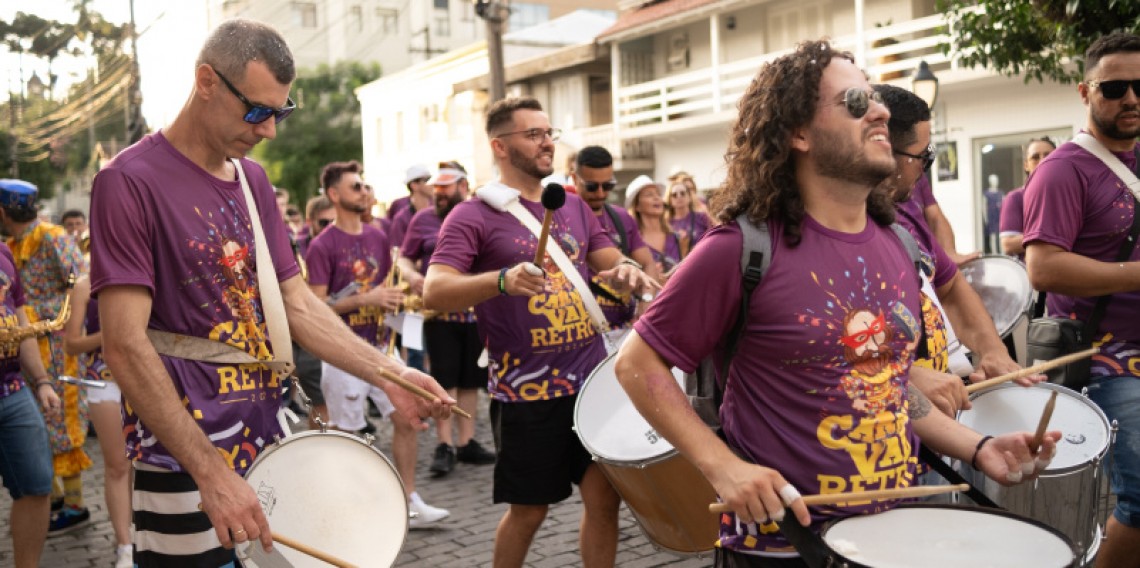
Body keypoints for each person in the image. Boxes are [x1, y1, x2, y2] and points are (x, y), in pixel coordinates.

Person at [614, 40, 1059, 568]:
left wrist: (977, 446)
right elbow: (636, 363)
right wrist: (721, 466)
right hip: (783, 547)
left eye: (876, 98)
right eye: (854, 101)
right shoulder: (739, 249)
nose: (880, 111)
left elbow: (886, 388)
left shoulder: (898, 245)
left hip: (892, 538)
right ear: (797, 132)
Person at [89, 19, 453, 567]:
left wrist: (391, 375)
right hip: (183, 461)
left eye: (280, 113)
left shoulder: (252, 181)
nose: (269, 132)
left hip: (274, 442)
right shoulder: (128, 181)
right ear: (206, 81)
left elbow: (298, 304)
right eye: (257, 112)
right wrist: (211, 472)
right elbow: (123, 344)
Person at [423, 96, 657, 568]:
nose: (547, 141)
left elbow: (604, 256)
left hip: (591, 384)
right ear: (500, 146)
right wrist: (501, 281)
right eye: (533, 134)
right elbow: (434, 290)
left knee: (604, 501)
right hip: (527, 391)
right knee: (529, 511)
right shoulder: (472, 216)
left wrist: (627, 269)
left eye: (549, 132)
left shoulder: (570, 204)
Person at [1023, 31, 1140, 568]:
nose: (1131, 99)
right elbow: (1043, 266)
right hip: (1103, 359)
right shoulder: (1062, 169)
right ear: (1084, 91)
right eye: (1115, 87)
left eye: (1139, 86)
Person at [874, 83, 1038, 416]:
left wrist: (993, 352)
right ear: (882, 150)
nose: (925, 168)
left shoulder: (903, 216)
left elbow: (951, 290)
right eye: (923, 157)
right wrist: (910, 379)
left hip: (934, 417)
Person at [305, 159, 450, 526]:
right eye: (356, 186)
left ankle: (409, 501)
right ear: (334, 195)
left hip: (383, 349)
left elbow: (385, 287)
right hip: (342, 356)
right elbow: (314, 308)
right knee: (348, 436)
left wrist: (402, 300)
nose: (365, 191)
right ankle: (349, 513)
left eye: (366, 185)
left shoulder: (378, 235)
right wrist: (362, 301)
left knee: (407, 417)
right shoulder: (322, 246)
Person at [0, 180, 91, 535]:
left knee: (63, 420)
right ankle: (50, 499)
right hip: (24, 348)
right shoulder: (11, 245)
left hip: (54, 345)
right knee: (42, 426)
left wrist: (61, 322)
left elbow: (80, 282)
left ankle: (75, 505)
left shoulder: (52, 237)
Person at [397, 162, 496, 477]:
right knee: (444, 377)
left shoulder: (481, 214)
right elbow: (403, 257)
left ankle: (466, 442)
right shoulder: (422, 219)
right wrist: (412, 275)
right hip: (439, 313)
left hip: (476, 310)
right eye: (436, 188)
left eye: (445, 187)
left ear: (463, 186)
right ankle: (445, 444)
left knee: (470, 379)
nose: (438, 193)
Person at [0, 202, 61, 568]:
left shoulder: (4, 251)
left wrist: (41, 382)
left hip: (12, 392)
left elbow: (21, 320)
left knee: (38, 486)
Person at [62, 272, 133, 567]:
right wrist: (115, 333)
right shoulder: (83, 285)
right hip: (104, 381)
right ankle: (124, 545)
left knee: (146, 462)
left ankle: (144, 534)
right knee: (118, 465)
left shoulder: (143, 267)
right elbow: (71, 343)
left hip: (146, 378)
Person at [569, 146, 657, 334]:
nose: (600, 193)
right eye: (592, 186)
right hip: (582, 332)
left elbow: (647, 263)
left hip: (625, 327)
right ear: (575, 179)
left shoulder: (621, 217)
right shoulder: (563, 219)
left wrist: (646, 299)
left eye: (608, 185)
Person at [1000, 137, 1056, 259]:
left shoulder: (1069, 195)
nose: (1042, 160)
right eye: (1035, 157)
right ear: (1026, 165)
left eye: (1048, 155)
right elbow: (1008, 244)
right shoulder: (1015, 198)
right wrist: (1051, 233)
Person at [626, 175, 685, 275]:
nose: (656, 198)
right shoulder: (632, 241)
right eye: (649, 195)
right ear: (636, 206)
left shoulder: (675, 237)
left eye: (658, 194)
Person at [666, 176, 711, 248]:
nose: (679, 196)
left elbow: (715, 237)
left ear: (689, 197)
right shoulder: (666, 223)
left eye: (682, 193)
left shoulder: (701, 217)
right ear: (670, 200)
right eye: (674, 195)